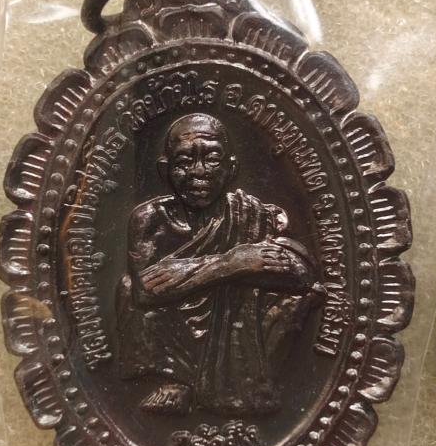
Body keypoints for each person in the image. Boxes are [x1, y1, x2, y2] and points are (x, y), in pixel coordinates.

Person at [116, 113, 322, 415]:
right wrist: (231, 264)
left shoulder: (254, 214)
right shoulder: (150, 219)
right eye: (184, 162)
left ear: (231, 169)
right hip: (176, 335)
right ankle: (176, 380)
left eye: (212, 159)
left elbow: (302, 271)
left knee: (298, 294)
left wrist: (189, 274)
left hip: (235, 329)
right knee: (126, 287)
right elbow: (145, 289)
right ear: (164, 170)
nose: (199, 172)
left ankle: (244, 381)